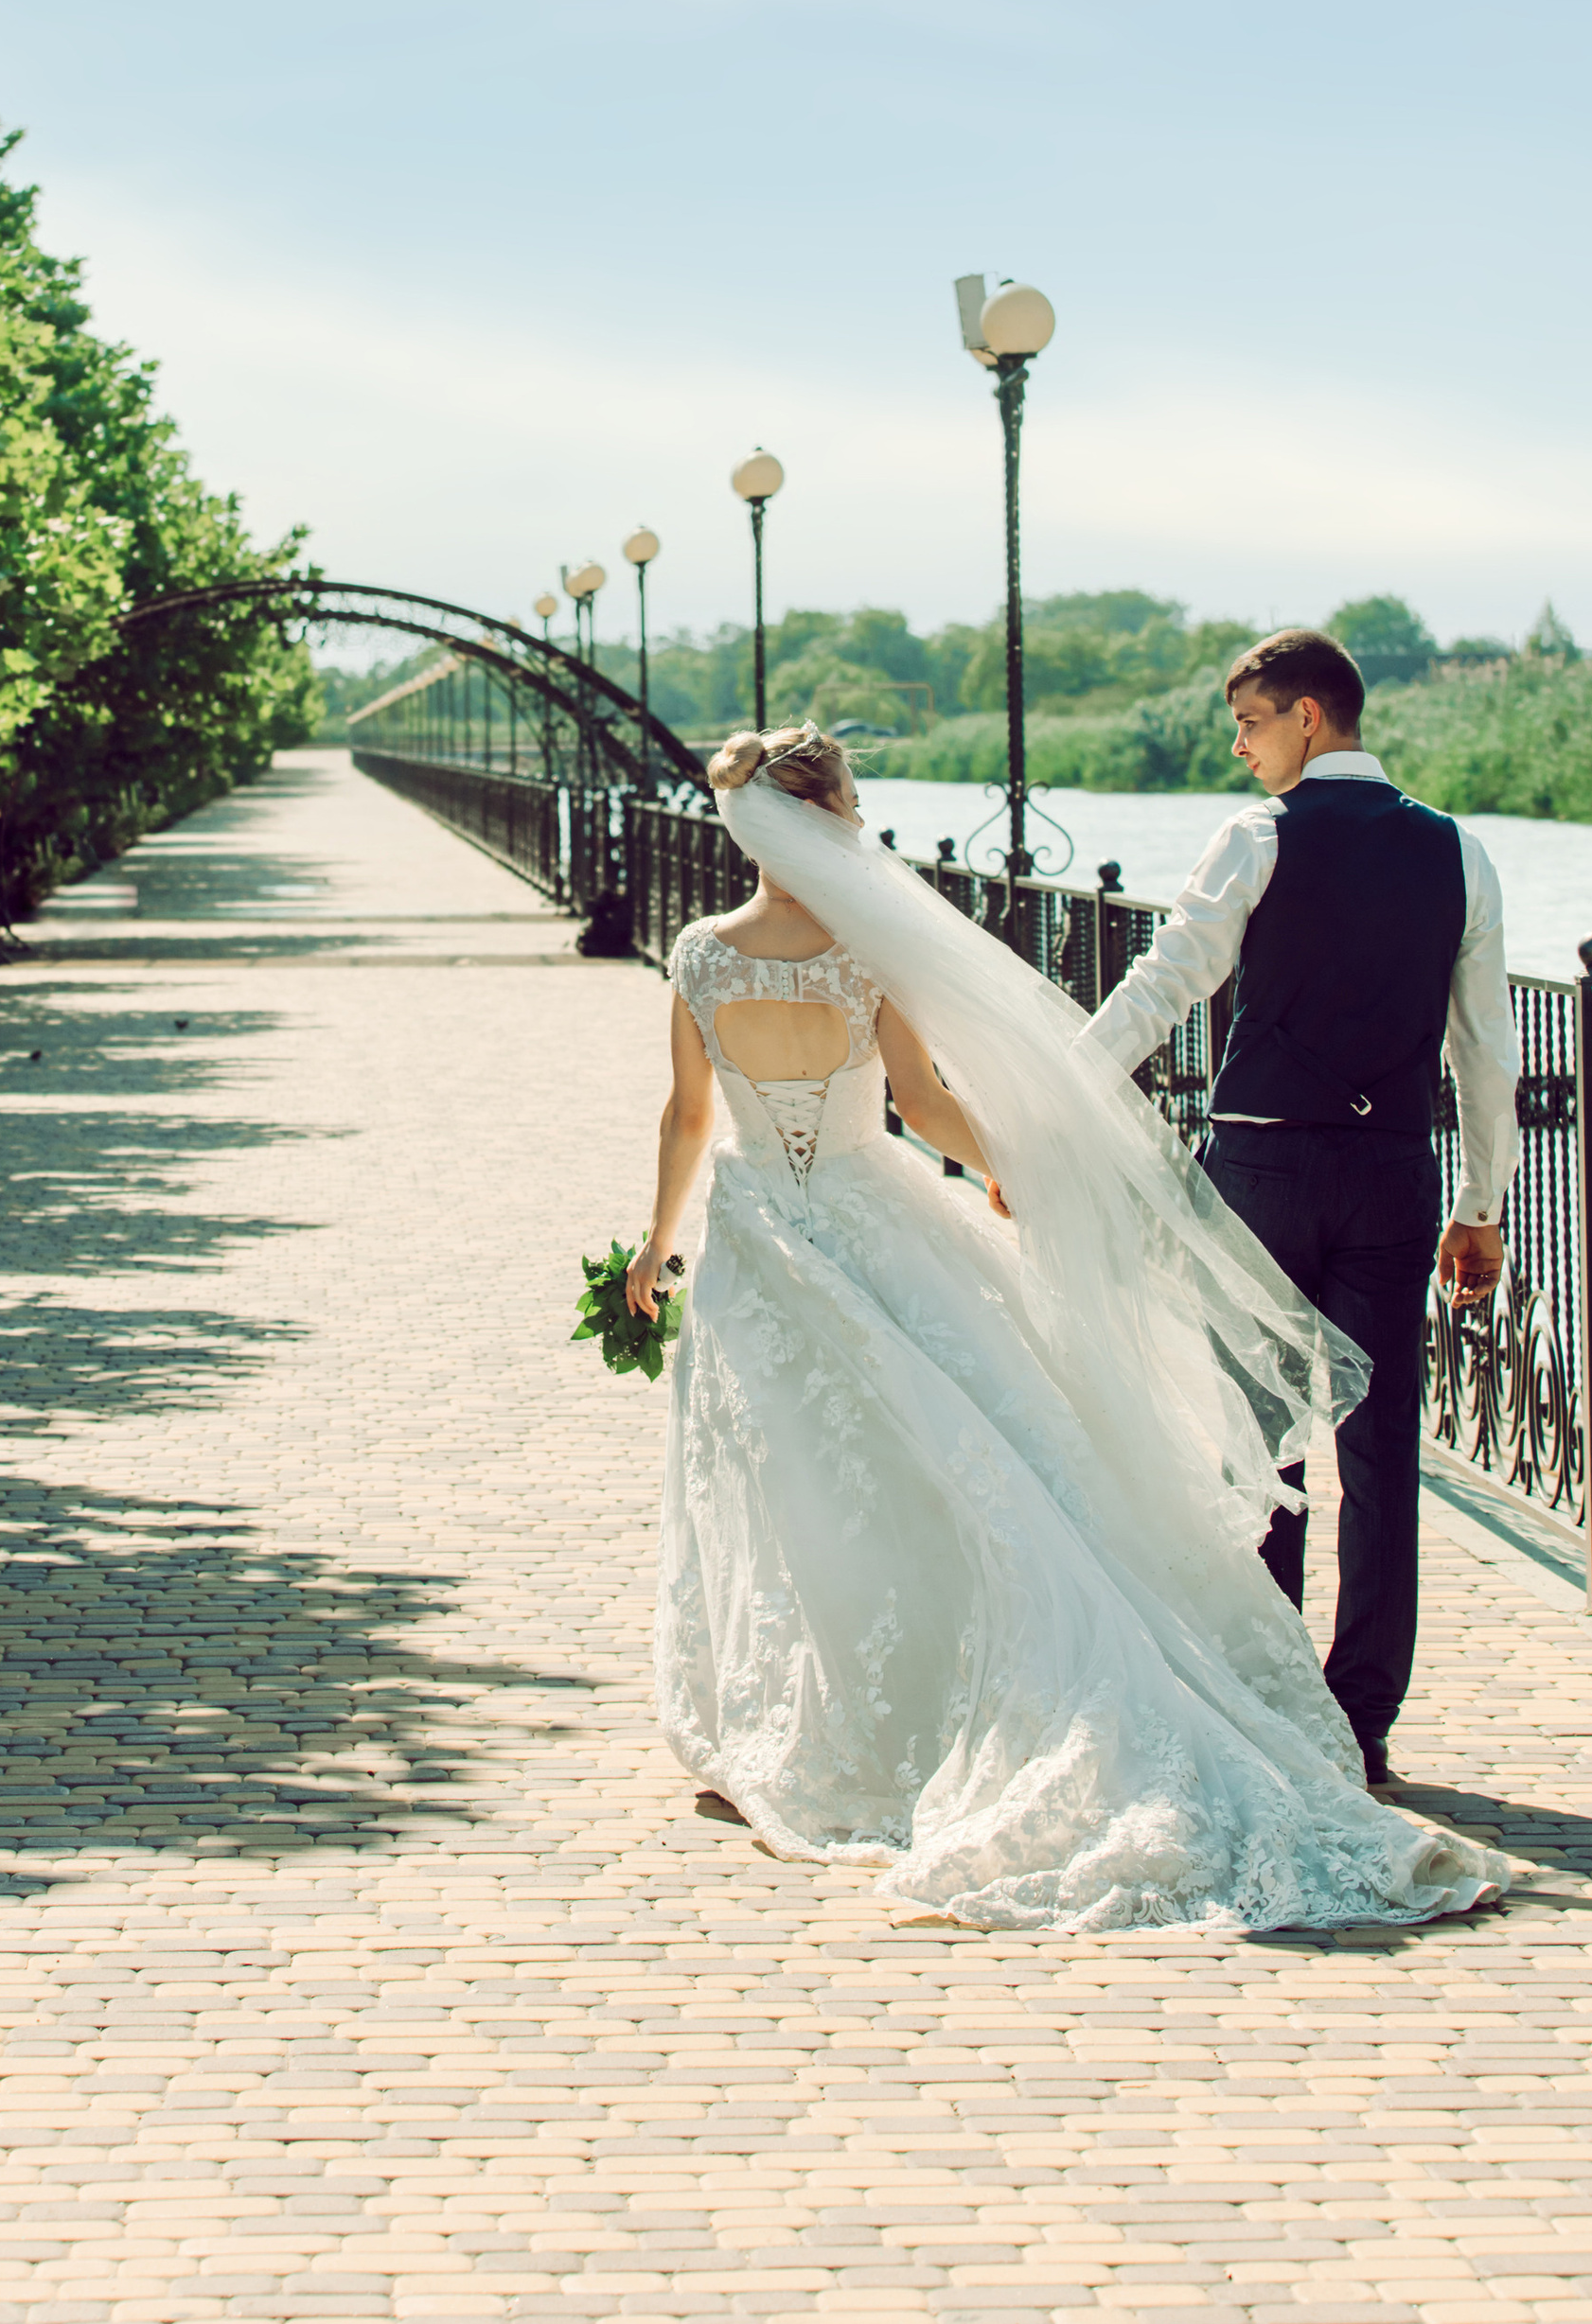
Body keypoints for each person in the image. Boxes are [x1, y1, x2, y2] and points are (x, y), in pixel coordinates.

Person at [626, 721, 1501, 1933]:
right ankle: (943, 1694)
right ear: (829, 816)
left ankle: (805, 1713)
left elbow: (687, 1115)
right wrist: (1012, 1167)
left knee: (786, 1475)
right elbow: (922, 1105)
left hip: (757, 1236)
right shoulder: (867, 953)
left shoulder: (700, 955)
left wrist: (655, 1242)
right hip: (873, 1218)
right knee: (947, 1460)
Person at [1081, 628, 1519, 1790]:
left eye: (1250, 724)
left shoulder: (1258, 837)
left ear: (1308, 718)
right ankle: (1361, 1718)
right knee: (1381, 1455)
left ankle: (1276, 1705)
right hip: (1391, 1175)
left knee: (1260, 1444)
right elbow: (1485, 1050)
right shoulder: (1458, 852)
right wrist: (1478, 1205)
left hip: (1263, 1172)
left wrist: (1060, 1093)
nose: (1241, 749)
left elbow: (1167, 984)